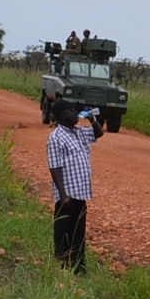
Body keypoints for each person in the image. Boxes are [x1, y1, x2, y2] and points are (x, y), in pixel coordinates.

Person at [47, 99, 96, 272]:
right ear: (62, 116)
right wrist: (63, 194)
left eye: (75, 111)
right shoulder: (56, 137)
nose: (76, 114)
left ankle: (79, 266)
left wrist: (92, 119)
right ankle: (62, 265)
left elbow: (98, 134)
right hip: (66, 194)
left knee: (78, 232)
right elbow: (54, 167)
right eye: (71, 111)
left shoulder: (79, 131)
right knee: (63, 231)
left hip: (81, 192)